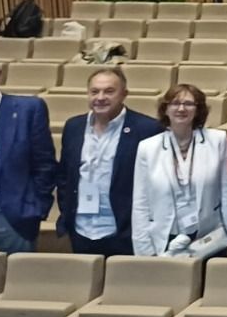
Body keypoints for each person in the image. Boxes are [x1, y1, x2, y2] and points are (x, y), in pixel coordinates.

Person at [56, 67, 162, 256]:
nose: (101, 97)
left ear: (124, 94)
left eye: (109, 91)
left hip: (124, 230)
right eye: (95, 91)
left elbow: (156, 184)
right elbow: (65, 176)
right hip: (81, 228)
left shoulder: (147, 129)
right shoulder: (74, 126)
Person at [131, 84, 227, 258]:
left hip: (208, 236)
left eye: (189, 104)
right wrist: (143, 248)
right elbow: (140, 202)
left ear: (198, 110)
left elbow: (226, 191)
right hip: (164, 236)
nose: (181, 108)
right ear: (165, 109)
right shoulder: (147, 147)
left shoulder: (217, 140)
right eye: (175, 103)